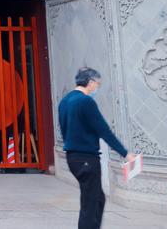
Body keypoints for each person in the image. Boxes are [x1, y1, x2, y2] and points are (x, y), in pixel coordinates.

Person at [59, 67, 137, 229]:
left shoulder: (64, 101)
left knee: (97, 199)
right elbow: (103, 130)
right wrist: (125, 153)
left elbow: (64, 129)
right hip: (87, 158)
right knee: (91, 204)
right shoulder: (86, 101)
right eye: (97, 84)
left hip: (73, 158)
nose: (97, 88)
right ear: (90, 82)